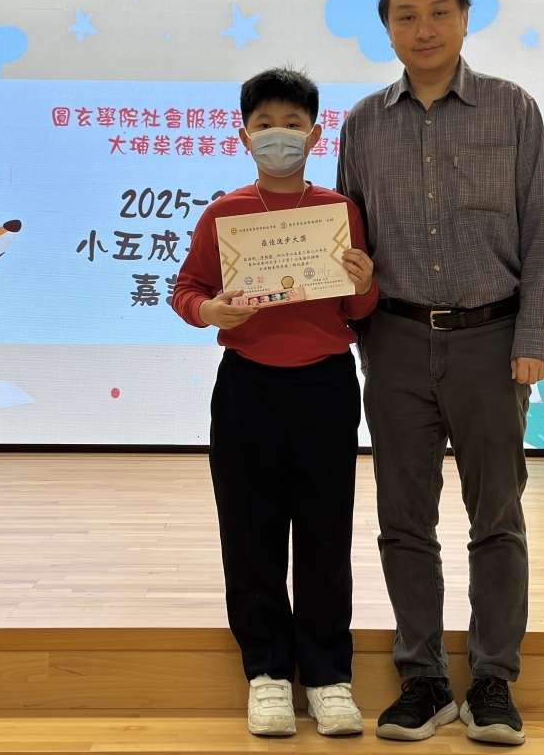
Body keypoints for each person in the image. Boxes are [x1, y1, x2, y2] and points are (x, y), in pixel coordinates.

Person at [336, 0, 544, 746]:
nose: (423, 28)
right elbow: (348, 237)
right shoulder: (362, 124)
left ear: (466, 19)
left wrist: (533, 339)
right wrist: (355, 314)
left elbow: (542, 231)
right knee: (403, 520)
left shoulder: (512, 108)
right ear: (388, 30)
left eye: (439, 12)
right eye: (406, 16)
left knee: (496, 516)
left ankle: (493, 680)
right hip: (394, 341)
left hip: (493, 341)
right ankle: (423, 681)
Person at [171, 67, 379, 738]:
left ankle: (328, 677)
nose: (279, 135)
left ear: (316, 136)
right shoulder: (224, 214)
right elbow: (186, 289)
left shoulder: (338, 212)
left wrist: (366, 284)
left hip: (326, 383)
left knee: (325, 530)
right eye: (265, 124)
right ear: (244, 135)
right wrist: (209, 310)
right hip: (248, 386)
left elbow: (359, 309)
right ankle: (266, 674)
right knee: (250, 531)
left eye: (293, 124)